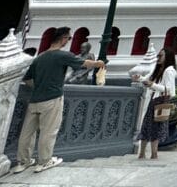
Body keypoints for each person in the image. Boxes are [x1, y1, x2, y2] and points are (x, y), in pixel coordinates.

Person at [12, 26, 106, 174]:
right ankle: (44, 161)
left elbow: (28, 79)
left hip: (35, 99)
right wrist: (98, 63)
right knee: (48, 131)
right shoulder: (62, 55)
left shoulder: (40, 57)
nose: (68, 41)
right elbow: (83, 63)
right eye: (68, 38)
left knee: (27, 133)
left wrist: (40, 86)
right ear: (63, 39)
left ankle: (22, 162)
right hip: (52, 98)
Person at [134, 47, 177, 159]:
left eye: (161, 56)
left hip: (161, 101)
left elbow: (169, 89)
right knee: (146, 126)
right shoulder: (157, 68)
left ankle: (154, 153)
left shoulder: (169, 71)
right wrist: (140, 79)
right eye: (158, 55)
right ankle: (142, 153)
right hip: (153, 100)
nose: (158, 58)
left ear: (167, 57)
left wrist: (152, 85)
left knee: (156, 127)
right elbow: (147, 79)